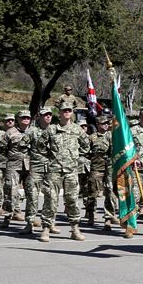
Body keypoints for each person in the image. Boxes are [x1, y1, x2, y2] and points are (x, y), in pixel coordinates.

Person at [40, 102, 90, 242]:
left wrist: (74, 158)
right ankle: (45, 228)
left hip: (71, 170)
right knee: (50, 199)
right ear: (59, 113)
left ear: (72, 112)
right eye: (64, 110)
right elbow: (40, 145)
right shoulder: (51, 129)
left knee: (72, 200)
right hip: (54, 170)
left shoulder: (77, 130)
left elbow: (86, 147)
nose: (67, 112)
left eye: (69, 110)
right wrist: (49, 159)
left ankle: (75, 229)